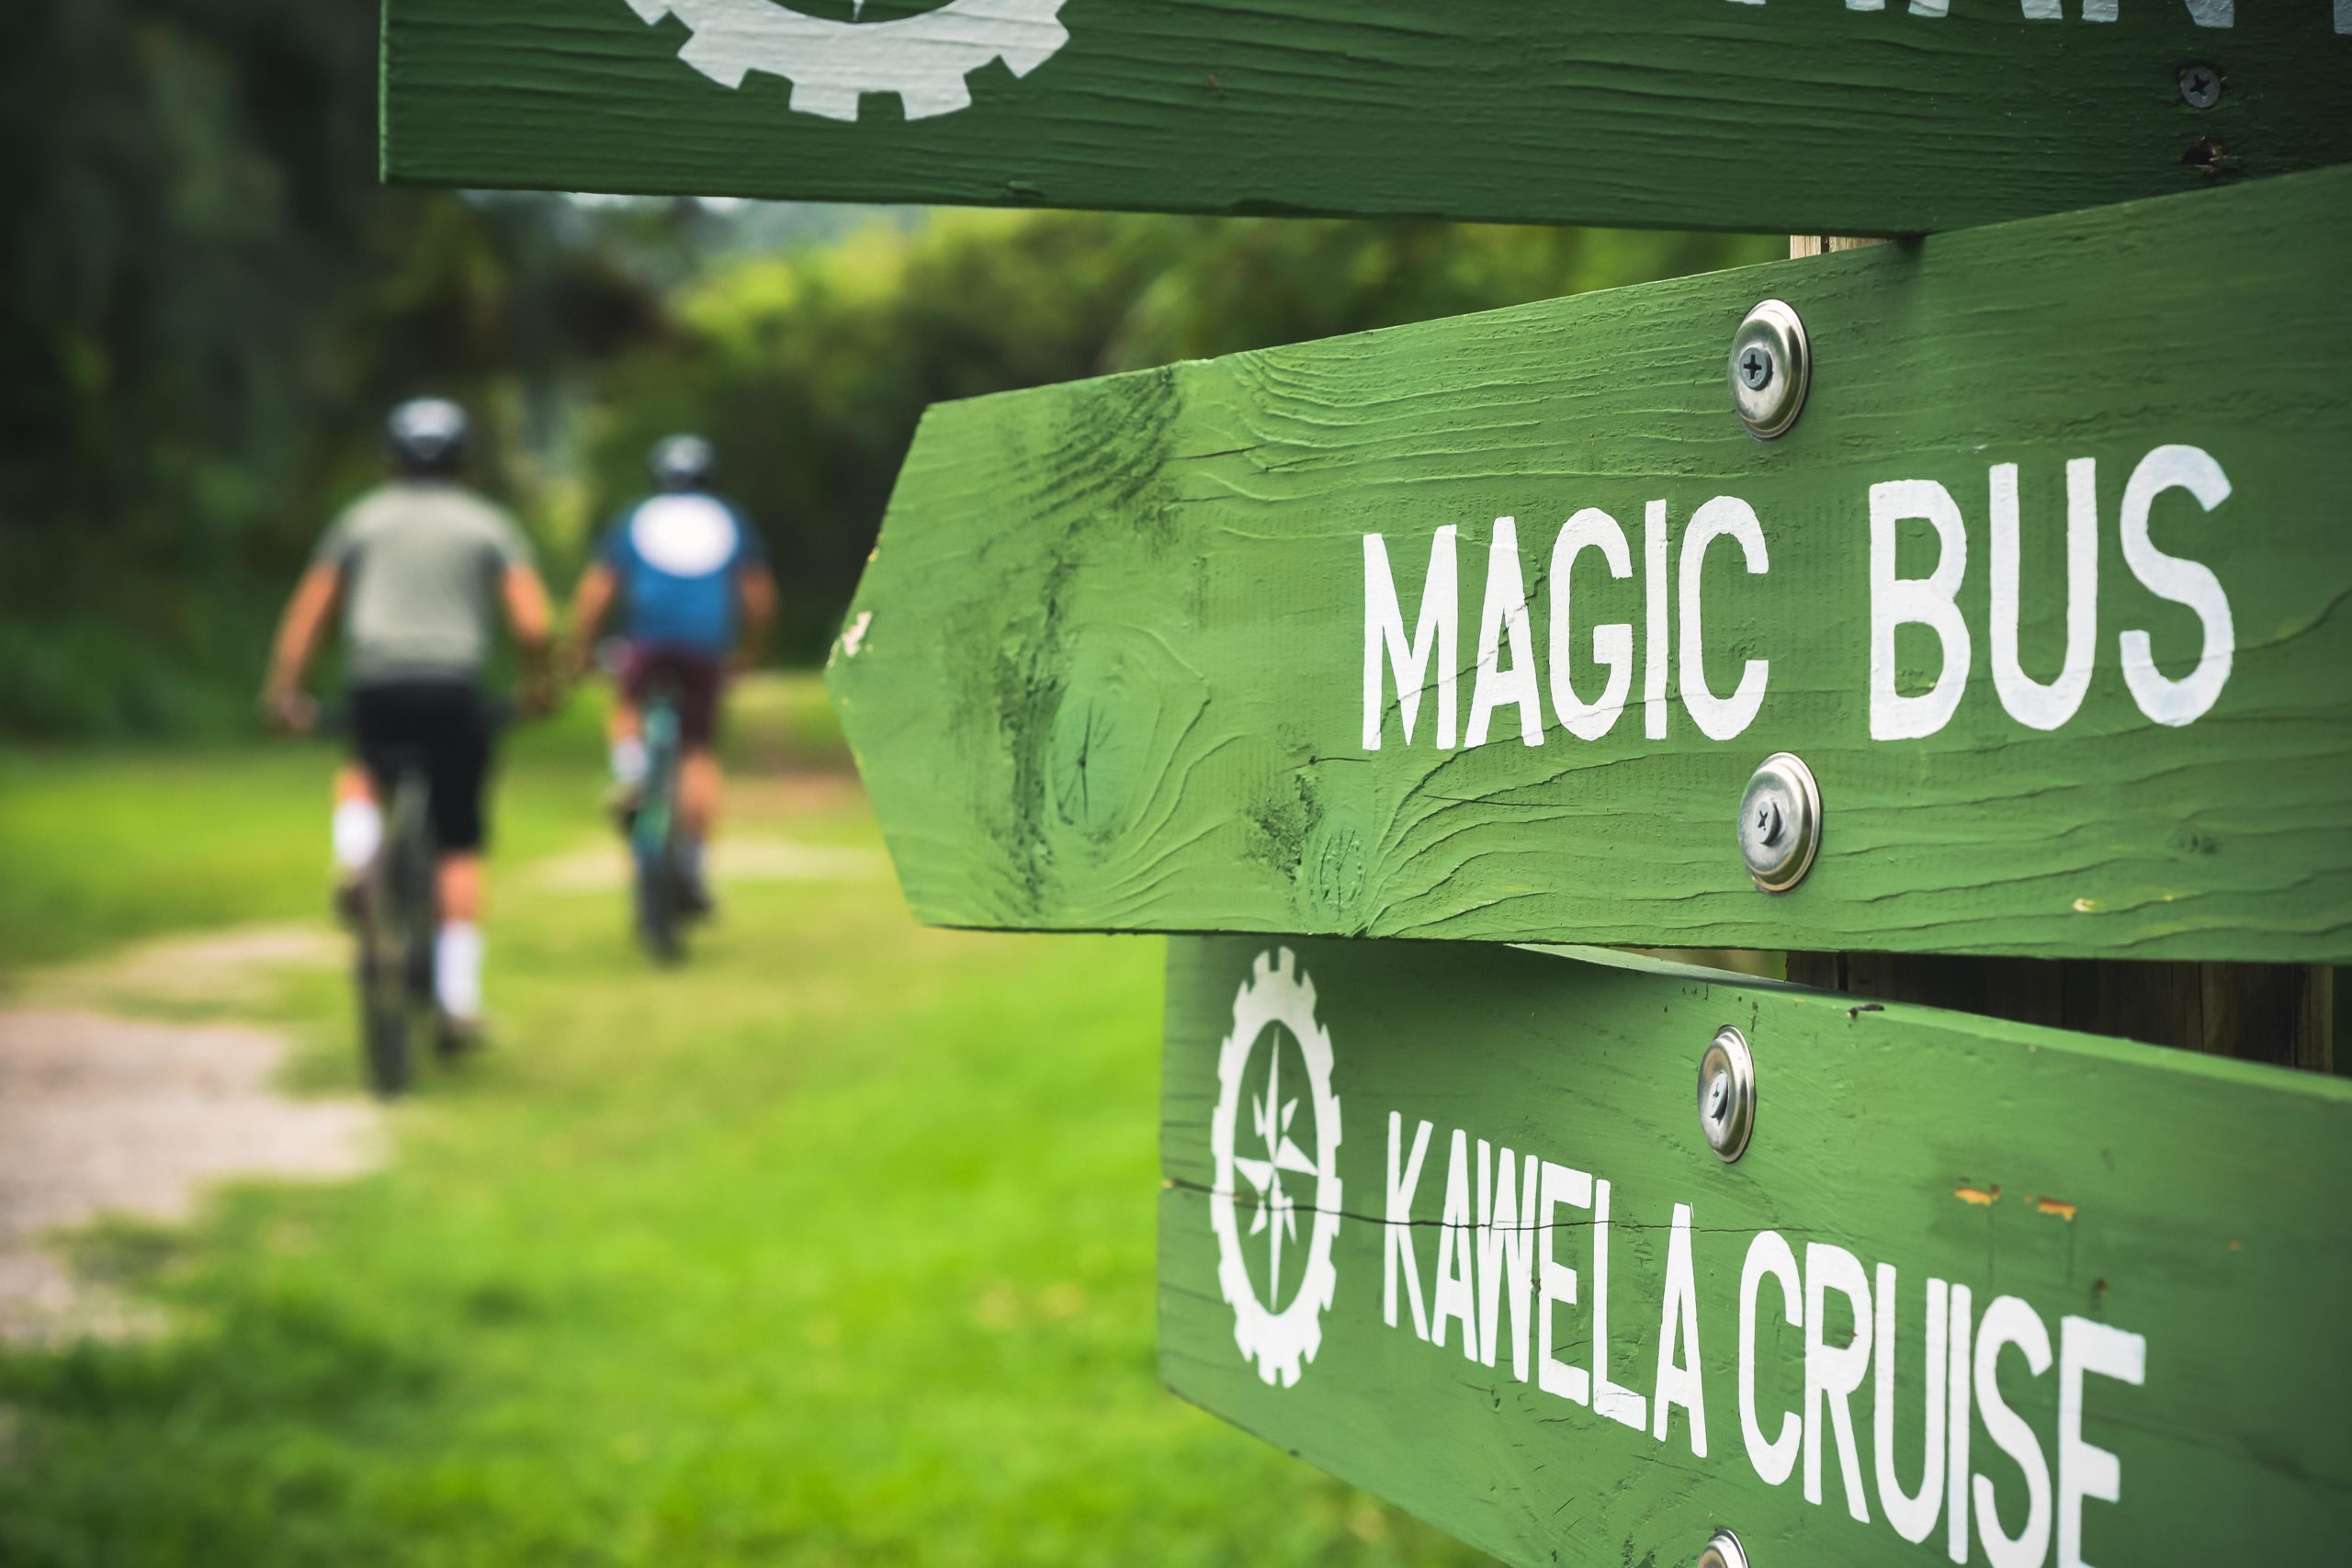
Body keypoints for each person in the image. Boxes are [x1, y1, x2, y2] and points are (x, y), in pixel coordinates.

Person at [261, 397, 553, 1042]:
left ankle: (357, 858)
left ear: (390, 458)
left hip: (378, 683)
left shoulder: (360, 520)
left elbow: (311, 611)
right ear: (463, 460)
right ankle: (457, 998)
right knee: (458, 844)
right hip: (454, 688)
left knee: (364, 768)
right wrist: (539, 685)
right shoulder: (488, 525)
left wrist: (284, 688)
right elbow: (533, 624)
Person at [563, 434, 775, 913]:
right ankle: (696, 865)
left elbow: (597, 590)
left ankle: (632, 771)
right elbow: (758, 595)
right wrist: (751, 650)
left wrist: (581, 648)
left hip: (646, 643)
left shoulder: (636, 517)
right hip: (704, 648)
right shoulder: (729, 519)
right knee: (697, 751)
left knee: (627, 701)